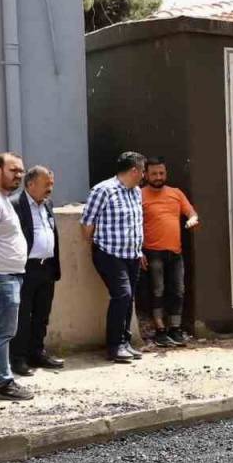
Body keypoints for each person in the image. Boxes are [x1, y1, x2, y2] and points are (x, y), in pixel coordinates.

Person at [82, 152, 147, 364]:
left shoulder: (136, 192)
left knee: (129, 298)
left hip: (132, 254)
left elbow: (135, 224)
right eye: (143, 170)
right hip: (109, 253)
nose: (144, 175)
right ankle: (114, 345)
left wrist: (139, 249)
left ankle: (125, 342)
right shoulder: (103, 190)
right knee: (122, 295)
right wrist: (96, 243)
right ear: (134, 170)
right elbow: (87, 224)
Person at [140, 157, 199, 347]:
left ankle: (175, 328)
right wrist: (138, 251)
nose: (158, 177)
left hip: (175, 252)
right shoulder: (139, 195)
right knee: (157, 291)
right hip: (152, 252)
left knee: (178, 290)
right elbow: (133, 225)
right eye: (154, 173)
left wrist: (192, 220)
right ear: (146, 175)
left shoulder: (176, 193)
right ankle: (160, 330)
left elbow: (192, 213)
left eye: (161, 173)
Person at [11, 166, 63, 376]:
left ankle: (37, 353)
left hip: (47, 267)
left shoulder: (47, 204)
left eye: (51, 184)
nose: (50, 188)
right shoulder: (15, 204)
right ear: (31, 184)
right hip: (25, 269)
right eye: (46, 184)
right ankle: (18, 359)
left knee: (42, 314)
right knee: (22, 317)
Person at [0, 153, 29, 399]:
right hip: (2, 277)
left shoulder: (4, 199)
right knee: (4, 332)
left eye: (21, 171)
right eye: (13, 170)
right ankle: (3, 383)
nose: (19, 175)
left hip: (11, 275)